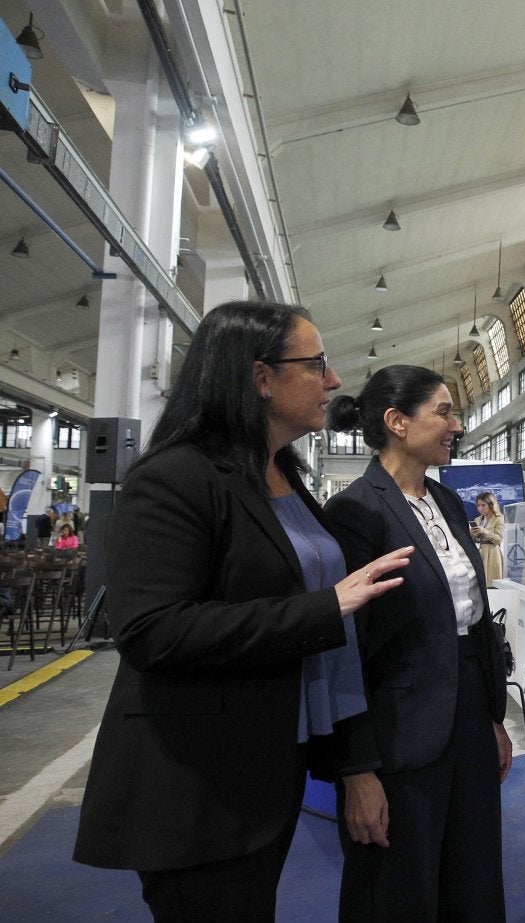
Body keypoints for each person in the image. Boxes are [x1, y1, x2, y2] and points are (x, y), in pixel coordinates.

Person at [72, 301, 414, 922]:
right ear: (260, 378)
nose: (334, 381)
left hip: (267, 768)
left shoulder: (282, 476)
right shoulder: (175, 477)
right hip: (197, 783)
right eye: (316, 365)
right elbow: (151, 630)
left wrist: (352, 760)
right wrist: (323, 608)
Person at [324, 365, 513, 922]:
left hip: (468, 722)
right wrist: (356, 770)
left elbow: (475, 623)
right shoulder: (356, 511)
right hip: (398, 735)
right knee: (397, 889)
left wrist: (493, 718)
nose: (457, 425)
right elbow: (344, 651)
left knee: (473, 875)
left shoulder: (447, 503)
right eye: (445, 412)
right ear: (397, 422)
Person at [470, 491, 506, 585]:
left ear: (491, 505)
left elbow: (498, 539)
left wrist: (484, 531)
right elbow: (473, 540)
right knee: (481, 584)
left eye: (483, 505)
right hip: (480, 553)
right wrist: (473, 534)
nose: (480, 508)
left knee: (493, 584)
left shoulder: (499, 518)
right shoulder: (478, 519)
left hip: (493, 553)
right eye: (478, 505)